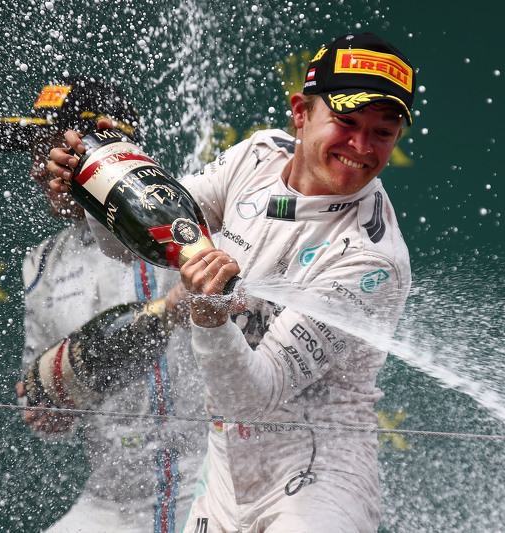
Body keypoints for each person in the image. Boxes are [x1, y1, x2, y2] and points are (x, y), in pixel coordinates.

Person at [50, 32, 415, 533]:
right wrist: (94, 187)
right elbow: (131, 242)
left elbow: (251, 397)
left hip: (319, 479)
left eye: (383, 132)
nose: (361, 147)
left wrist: (208, 314)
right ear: (301, 113)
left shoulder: (373, 259)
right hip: (222, 472)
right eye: (347, 122)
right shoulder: (257, 156)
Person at [0, 77, 205, 533]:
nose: (36, 170)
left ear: (102, 139)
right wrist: (49, 405)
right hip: (113, 500)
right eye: (34, 153)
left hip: (210, 482)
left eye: (50, 149)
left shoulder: (188, 213)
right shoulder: (41, 264)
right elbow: (43, 404)